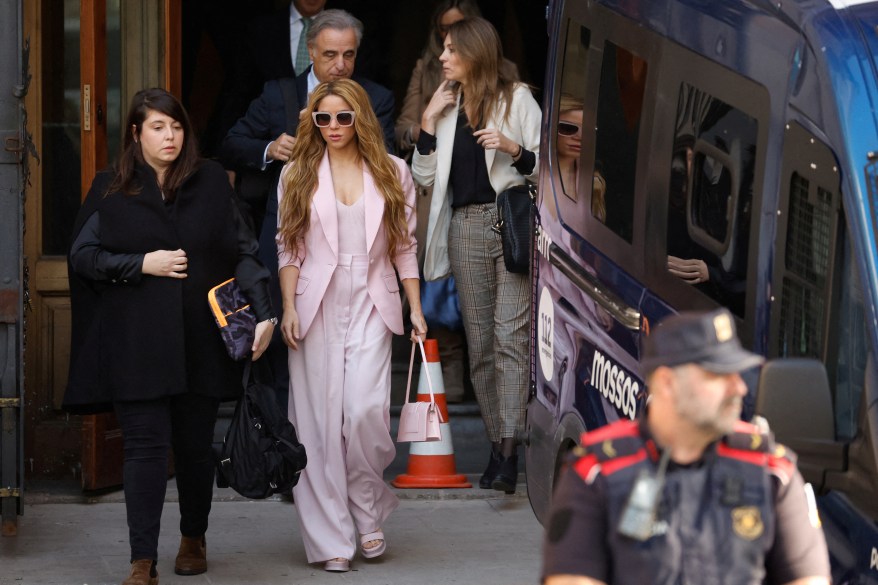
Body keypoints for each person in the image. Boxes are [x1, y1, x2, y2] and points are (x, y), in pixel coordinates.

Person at [63, 88, 275, 585]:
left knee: (195, 447)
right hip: (136, 342)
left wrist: (264, 313)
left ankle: (193, 536)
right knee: (142, 449)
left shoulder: (210, 184)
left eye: (176, 126)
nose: (170, 136)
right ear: (136, 134)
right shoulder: (112, 188)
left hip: (200, 340)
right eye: (157, 127)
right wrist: (141, 264)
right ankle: (142, 561)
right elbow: (82, 256)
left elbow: (245, 251)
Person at [541, 308, 831, 585]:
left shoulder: (772, 474)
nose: (739, 388)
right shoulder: (596, 473)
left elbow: (808, 579)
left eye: (738, 374)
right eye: (718, 375)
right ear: (667, 383)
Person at [276, 78, 426, 573]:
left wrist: (416, 307)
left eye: (343, 116)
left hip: (372, 298)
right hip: (314, 300)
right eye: (323, 118)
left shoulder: (393, 171)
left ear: (360, 117)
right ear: (312, 121)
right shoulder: (297, 172)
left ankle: (366, 508)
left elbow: (404, 245)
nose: (334, 126)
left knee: (363, 412)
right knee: (316, 424)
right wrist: (289, 307)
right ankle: (331, 539)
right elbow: (289, 244)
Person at [221, 8, 396, 412]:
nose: (340, 66)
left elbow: (387, 164)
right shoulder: (278, 94)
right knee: (284, 345)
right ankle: (286, 450)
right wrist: (271, 148)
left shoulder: (376, 98)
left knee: (349, 358)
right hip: (287, 238)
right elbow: (231, 142)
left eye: (349, 55)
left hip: (353, 245)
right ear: (310, 53)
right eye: (331, 54)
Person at [411, 16, 541, 494]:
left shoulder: (518, 99)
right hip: (464, 228)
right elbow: (423, 180)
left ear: (473, 52)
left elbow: (546, 172)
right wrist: (426, 121)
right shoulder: (446, 107)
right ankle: (497, 442)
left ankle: (508, 451)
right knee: (482, 345)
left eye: (450, 49)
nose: (442, 57)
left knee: (511, 339)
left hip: (510, 226)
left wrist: (513, 149)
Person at [394, 0, 486, 403]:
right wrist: (428, 124)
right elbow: (401, 131)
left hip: (483, 195)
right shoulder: (428, 68)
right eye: (444, 32)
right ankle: (449, 366)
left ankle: (478, 375)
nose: (450, 42)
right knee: (439, 284)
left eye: (461, 29)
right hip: (436, 192)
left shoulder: (507, 82)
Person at [557, 94, 606, 221]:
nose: (579, 137)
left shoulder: (595, 183)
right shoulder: (534, 173)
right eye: (568, 128)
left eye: (587, 130)